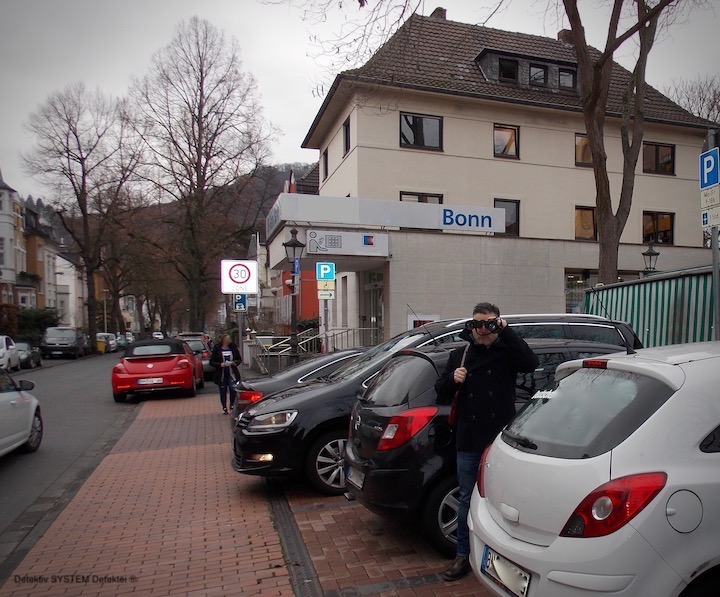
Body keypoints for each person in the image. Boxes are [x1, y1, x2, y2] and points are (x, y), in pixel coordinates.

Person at [435, 302, 538, 581]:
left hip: (501, 442)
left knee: (504, 500)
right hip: (469, 439)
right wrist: (453, 380)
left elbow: (531, 364)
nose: (483, 329)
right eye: (477, 324)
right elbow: (440, 393)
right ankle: (462, 556)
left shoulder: (508, 352)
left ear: (498, 323)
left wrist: (508, 332)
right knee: (467, 497)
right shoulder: (461, 354)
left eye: (489, 323)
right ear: (471, 325)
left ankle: (504, 554)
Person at [210, 333, 242, 414]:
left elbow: (239, 359)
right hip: (222, 374)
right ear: (224, 340)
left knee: (233, 389)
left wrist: (235, 362)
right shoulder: (217, 348)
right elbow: (212, 362)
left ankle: (231, 404)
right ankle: (224, 407)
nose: (229, 340)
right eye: (228, 339)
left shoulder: (233, 347)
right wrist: (220, 364)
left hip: (232, 373)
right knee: (223, 391)